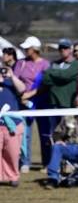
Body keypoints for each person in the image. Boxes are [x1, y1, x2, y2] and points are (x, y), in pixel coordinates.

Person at [14, 36, 50, 172]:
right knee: (25, 134)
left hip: (41, 102)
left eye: (28, 48)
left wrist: (31, 94)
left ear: (35, 49)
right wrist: (22, 96)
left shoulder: (45, 65)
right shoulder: (21, 63)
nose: (25, 50)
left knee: (44, 133)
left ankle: (46, 162)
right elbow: (15, 80)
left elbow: (46, 84)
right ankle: (25, 161)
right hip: (24, 103)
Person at [42, 38, 78, 134]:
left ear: (70, 49)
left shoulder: (75, 64)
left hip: (67, 103)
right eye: (61, 48)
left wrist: (53, 74)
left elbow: (66, 76)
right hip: (53, 103)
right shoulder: (54, 63)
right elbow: (46, 79)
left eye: (65, 48)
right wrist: (57, 75)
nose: (63, 50)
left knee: (68, 130)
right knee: (54, 131)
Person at [0, 66, 25, 187]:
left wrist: (12, 76)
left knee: (12, 153)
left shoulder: (10, 83)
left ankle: (13, 176)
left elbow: (22, 89)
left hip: (12, 125)